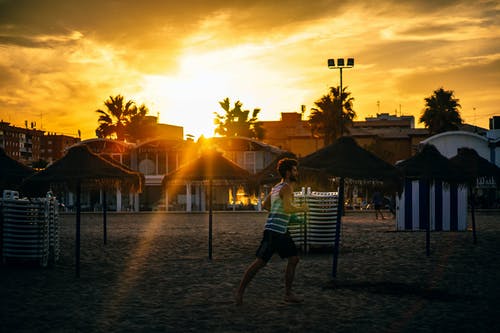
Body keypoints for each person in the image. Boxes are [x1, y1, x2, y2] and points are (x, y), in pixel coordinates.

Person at [235, 158, 308, 306]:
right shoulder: (287, 187)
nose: (297, 172)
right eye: (294, 170)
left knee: (269, 262)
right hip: (278, 232)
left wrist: (292, 219)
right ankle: (287, 294)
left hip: (273, 229)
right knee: (275, 261)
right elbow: (288, 208)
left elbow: (268, 206)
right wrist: (303, 208)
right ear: (288, 172)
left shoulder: (276, 187)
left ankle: (240, 293)